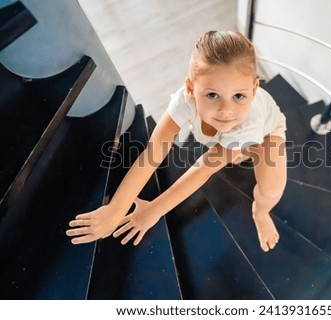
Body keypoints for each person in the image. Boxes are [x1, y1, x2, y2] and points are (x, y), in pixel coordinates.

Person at [66, 30, 287, 252]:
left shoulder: (249, 121)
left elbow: (203, 170)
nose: (226, 110)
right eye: (212, 95)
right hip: (235, 138)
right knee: (232, 148)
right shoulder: (185, 101)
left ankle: (261, 211)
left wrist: (152, 212)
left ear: (254, 89)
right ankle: (237, 150)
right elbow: (154, 152)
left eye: (239, 96)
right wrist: (117, 208)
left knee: (272, 188)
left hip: (266, 131)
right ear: (191, 89)